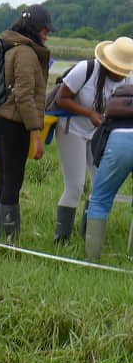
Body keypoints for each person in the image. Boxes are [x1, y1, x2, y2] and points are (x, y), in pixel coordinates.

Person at [0, 4, 54, 241]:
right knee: (13, 182)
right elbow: (23, 96)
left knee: (3, 180)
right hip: (11, 121)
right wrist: (35, 132)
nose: (47, 34)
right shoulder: (25, 53)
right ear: (34, 29)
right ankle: (9, 243)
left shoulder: (10, 45)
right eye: (44, 29)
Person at [51, 38, 133, 243]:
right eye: (117, 68)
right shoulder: (85, 69)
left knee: (100, 186)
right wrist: (89, 114)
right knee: (75, 186)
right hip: (72, 129)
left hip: (98, 135)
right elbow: (61, 99)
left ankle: (87, 237)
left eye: (125, 69)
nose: (120, 73)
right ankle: (61, 240)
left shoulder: (128, 80)